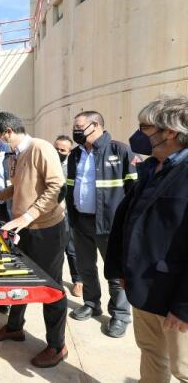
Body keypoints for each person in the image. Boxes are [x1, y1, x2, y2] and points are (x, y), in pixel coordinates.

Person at [105, 96, 188, 382]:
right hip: (144, 288)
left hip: (176, 297)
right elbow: (130, 222)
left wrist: (183, 307)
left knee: (183, 368)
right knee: (152, 354)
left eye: (145, 128)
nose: (138, 135)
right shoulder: (151, 168)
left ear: (171, 132)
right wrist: (121, 269)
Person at [0, 112, 68, 368]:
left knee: (50, 287)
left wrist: (27, 216)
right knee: (19, 279)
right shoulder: (16, 155)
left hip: (46, 230)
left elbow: (56, 187)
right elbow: (17, 188)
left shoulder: (41, 148)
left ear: (8, 131)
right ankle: (14, 327)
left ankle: (57, 345)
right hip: (26, 228)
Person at [65, 111, 136, 338]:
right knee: (86, 268)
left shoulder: (120, 150)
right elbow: (69, 188)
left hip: (111, 225)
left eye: (79, 127)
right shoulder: (75, 155)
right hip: (81, 221)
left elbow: (135, 192)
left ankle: (120, 314)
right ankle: (91, 303)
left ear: (95, 125)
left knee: (115, 272)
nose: (75, 131)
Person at [54, 135, 83, 297]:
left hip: (69, 215)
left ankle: (78, 281)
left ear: (69, 152)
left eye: (62, 150)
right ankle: (55, 281)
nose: (58, 152)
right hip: (50, 215)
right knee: (54, 250)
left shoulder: (75, 167)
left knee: (71, 250)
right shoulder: (47, 164)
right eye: (56, 148)